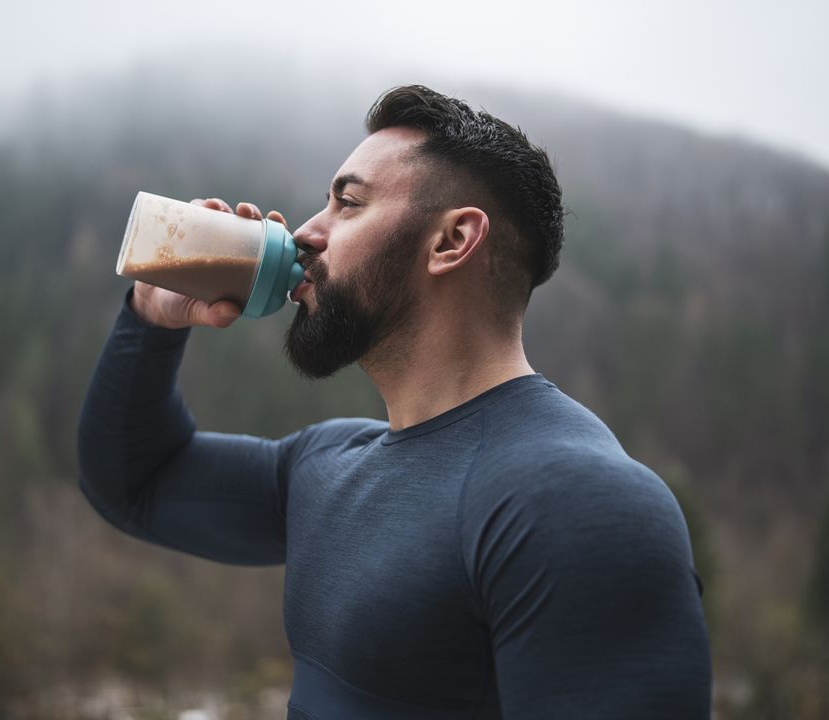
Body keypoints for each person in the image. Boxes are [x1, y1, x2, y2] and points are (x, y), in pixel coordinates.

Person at [78, 85, 711, 719]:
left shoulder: (578, 504)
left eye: (348, 204)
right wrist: (151, 318)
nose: (303, 233)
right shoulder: (328, 464)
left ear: (451, 241)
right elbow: (136, 482)